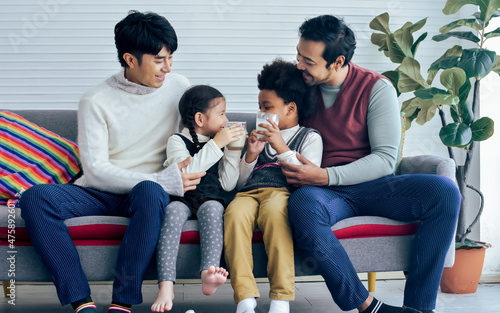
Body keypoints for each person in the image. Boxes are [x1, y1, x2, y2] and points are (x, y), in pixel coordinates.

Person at [19, 11, 203, 313]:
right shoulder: (96, 100)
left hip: (147, 195)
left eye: (170, 58)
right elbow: (95, 171)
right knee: (35, 197)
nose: (168, 68)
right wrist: (162, 180)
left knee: (150, 192)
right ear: (130, 59)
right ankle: (82, 303)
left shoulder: (179, 87)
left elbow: (197, 136)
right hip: (100, 192)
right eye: (159, 60)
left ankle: (122, 304)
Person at [279, 15, 462, 313]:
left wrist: (325, 175)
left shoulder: (376, 88)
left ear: (337, 62)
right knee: (302, 204)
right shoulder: (296, 87)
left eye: (308, 61)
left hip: (375, 187)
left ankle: (419, 308)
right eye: (298, 55)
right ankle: (368, 306)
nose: (299, 65)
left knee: (444, 191)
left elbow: (385, 159)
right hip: (325, 195)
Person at [224, 59, 323, 313]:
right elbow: (241, 183)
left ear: (290, 108)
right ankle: (245, 298)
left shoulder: (309, 137)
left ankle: (280, 299)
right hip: (249, 193)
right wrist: (251, 156)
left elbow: (305, 176)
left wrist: (280, 145)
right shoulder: (258, 137)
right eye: (259, 107)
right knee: (234, 214)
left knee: (276, 215)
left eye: (267, 107)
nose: (261, 113)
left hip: (282, 193)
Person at [151, 85, 244, 312]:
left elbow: (228, 184)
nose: (227, 119)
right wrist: (217, 143)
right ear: (200, 119)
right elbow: (186, 173)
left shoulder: (219, 143)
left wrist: (233, 149)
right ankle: (165, 285)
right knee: (171, 213)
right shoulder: (176, 141)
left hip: (210, 197)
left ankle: (208, 274)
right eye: (221, 113)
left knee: (213, 210)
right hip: (181, 196)